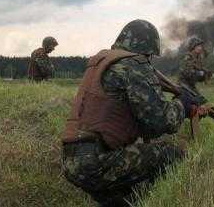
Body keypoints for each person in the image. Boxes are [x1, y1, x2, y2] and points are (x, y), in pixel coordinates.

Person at [61, 19, 194, 207]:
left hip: (73, 161)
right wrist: (182, 105)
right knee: (170, 155)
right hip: (96, 161)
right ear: (147, 49)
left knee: (123, 198)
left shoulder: (101, 62)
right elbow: (161, 121)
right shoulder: (134, 64)